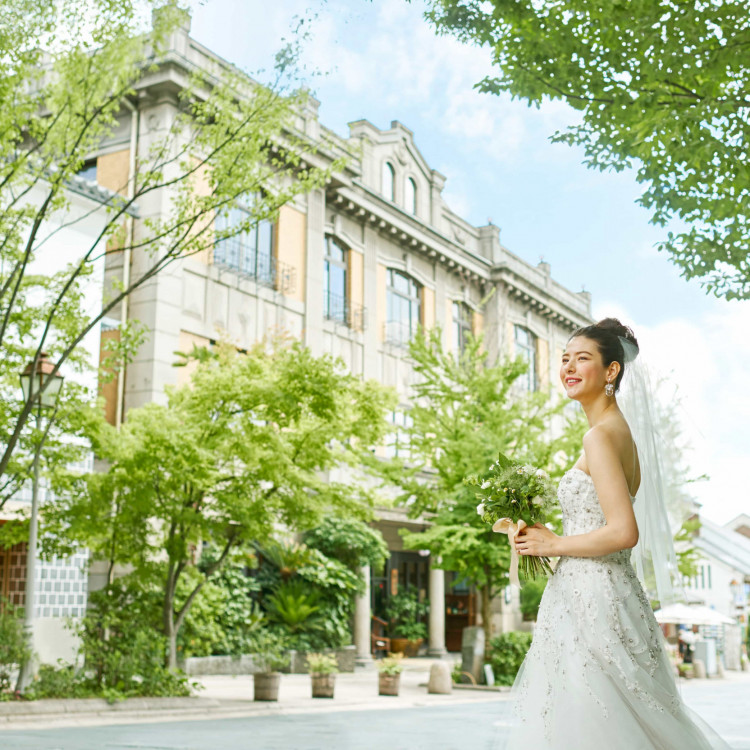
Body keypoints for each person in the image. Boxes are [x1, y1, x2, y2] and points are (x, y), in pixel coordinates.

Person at [501, 318, 731, 750]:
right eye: (564, 359)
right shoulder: (621, 434)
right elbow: (604, 521)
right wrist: (544, 536)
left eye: (582, 358)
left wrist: (554, 544)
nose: (568, 367)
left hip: (593, 600)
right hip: (610, 592)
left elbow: (624, 531)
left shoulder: (600, 437)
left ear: (611, 371)